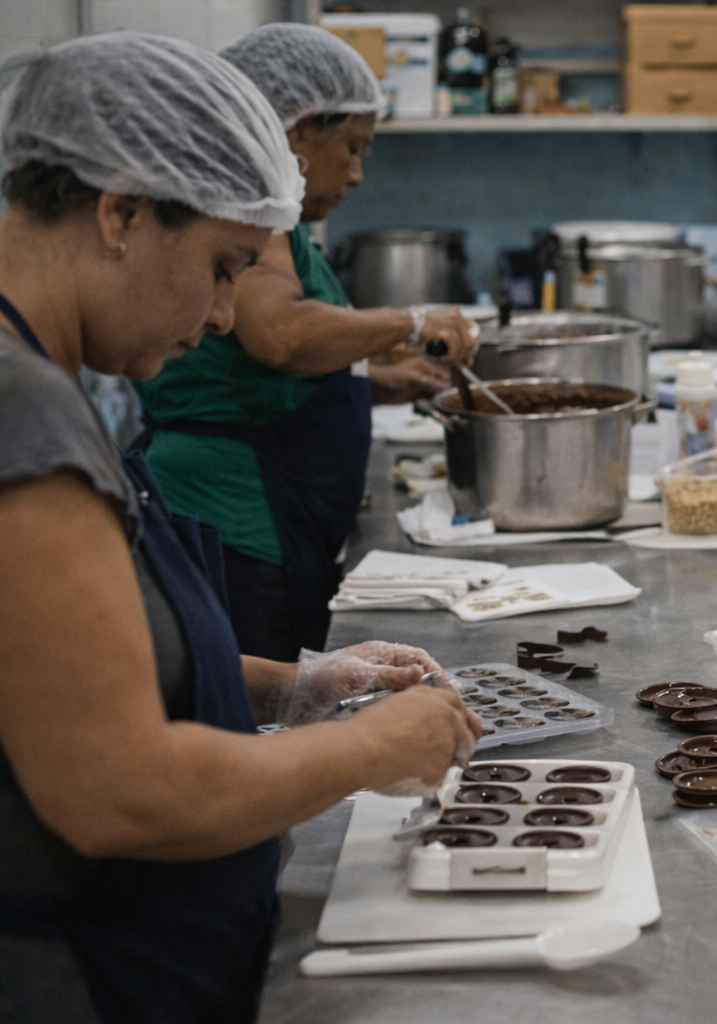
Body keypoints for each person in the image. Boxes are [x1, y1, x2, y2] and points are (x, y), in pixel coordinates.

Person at [0, 34, 478, 1022]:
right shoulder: (22, 414)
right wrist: (370, 749)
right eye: (223, 266)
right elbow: (122, 790)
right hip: (90, 974)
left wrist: (293, 685)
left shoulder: (44, 378)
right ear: (121, 213)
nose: (226, 316)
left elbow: (69, 675)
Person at [134, 23, 479, 662]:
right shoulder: (252, 209)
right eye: (351, 147)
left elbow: (248, 376)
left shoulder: (275, 220)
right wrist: (411, 322)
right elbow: (279, 335)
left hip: (265, 509)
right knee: (263, 705)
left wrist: (375, 385)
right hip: (238, 515)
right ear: (295, 131)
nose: (357, 174)